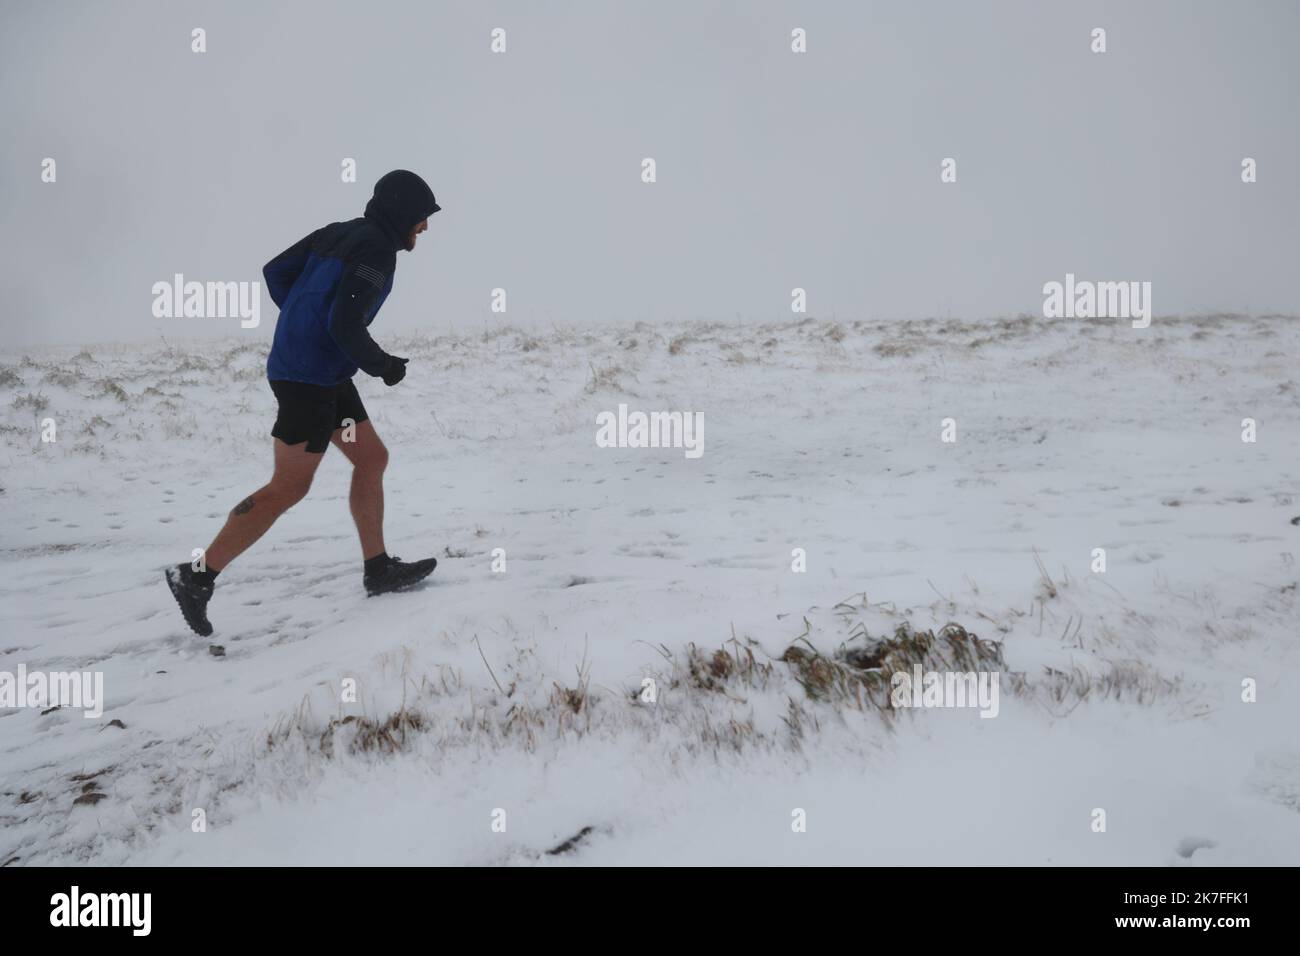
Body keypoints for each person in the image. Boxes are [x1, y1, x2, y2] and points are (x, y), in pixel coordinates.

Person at [165, 170, 441, 637]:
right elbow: (346, 324)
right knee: (289, 486)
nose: (425, 228)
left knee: (371, 457)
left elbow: (276, 273)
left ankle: (378, 569)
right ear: (400, 213)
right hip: (306, 382)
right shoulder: (375, 250)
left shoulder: (338, 232)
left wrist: (301, 320)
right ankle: (195, 576)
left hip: (325, 375)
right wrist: (384, 366)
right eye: (421, 217)